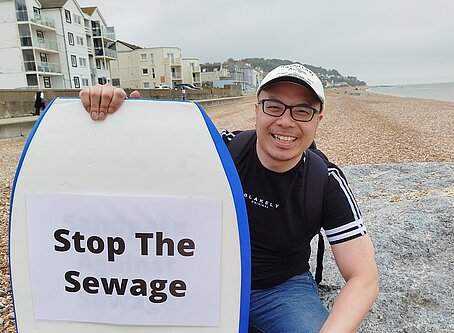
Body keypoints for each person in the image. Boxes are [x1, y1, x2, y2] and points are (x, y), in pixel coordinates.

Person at [79, 63, 379, 333]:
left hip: (281, 290)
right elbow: (150, 161)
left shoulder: (324, 180)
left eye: (302, 111)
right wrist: (120, 116)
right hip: (201, 281)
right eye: (274, 106)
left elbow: (363, 278)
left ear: (318, 120)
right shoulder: (224, 150)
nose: (286, 122)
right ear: (257, 109)